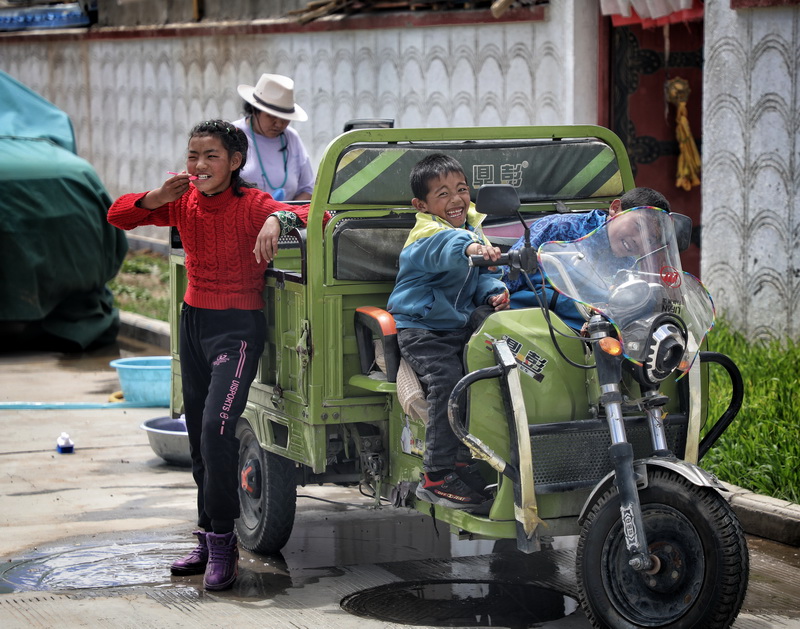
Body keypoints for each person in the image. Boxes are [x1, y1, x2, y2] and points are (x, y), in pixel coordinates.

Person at [107, 119, 311, 591]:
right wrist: (157, 197)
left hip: (237, 331)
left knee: (217, 430)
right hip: (194, 324)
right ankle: (207, 534)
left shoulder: (252, 203)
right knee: (199, 441)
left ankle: (224, 544)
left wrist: (279, 219)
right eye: (193, 155)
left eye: (211, 156)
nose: (199, 165)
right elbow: (118, 216)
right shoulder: (182, 202)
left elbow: (310, 212)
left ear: (236, 162)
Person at [387, 153, 510, 510]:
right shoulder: (426, 234)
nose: (456, 199)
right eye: (442, 193)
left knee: (489, 372)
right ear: (421, 204)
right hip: (422, 328)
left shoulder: (472, 225)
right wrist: (473, 248)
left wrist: (492, 292)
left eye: (461, 189)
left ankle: (462, 460)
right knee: (448, 381)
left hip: (457, 323)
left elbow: (481, 275)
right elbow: (448, 250)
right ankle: (436, 475)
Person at [503, 187, 671, 331]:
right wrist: (498, 296)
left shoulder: (629, 270)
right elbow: (507, 276)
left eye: (649, 240)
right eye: (638, 226)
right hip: (524, 324)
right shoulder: (559, 228)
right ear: (615, 208)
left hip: (582, 344)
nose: (638, 241)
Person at [233, 73, 314, 201]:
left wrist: (283, 215)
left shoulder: (292, 138)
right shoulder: (233, 135)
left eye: (285, 119)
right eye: (271, 116)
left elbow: (307, 189)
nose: (279, 124)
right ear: (254, 110)